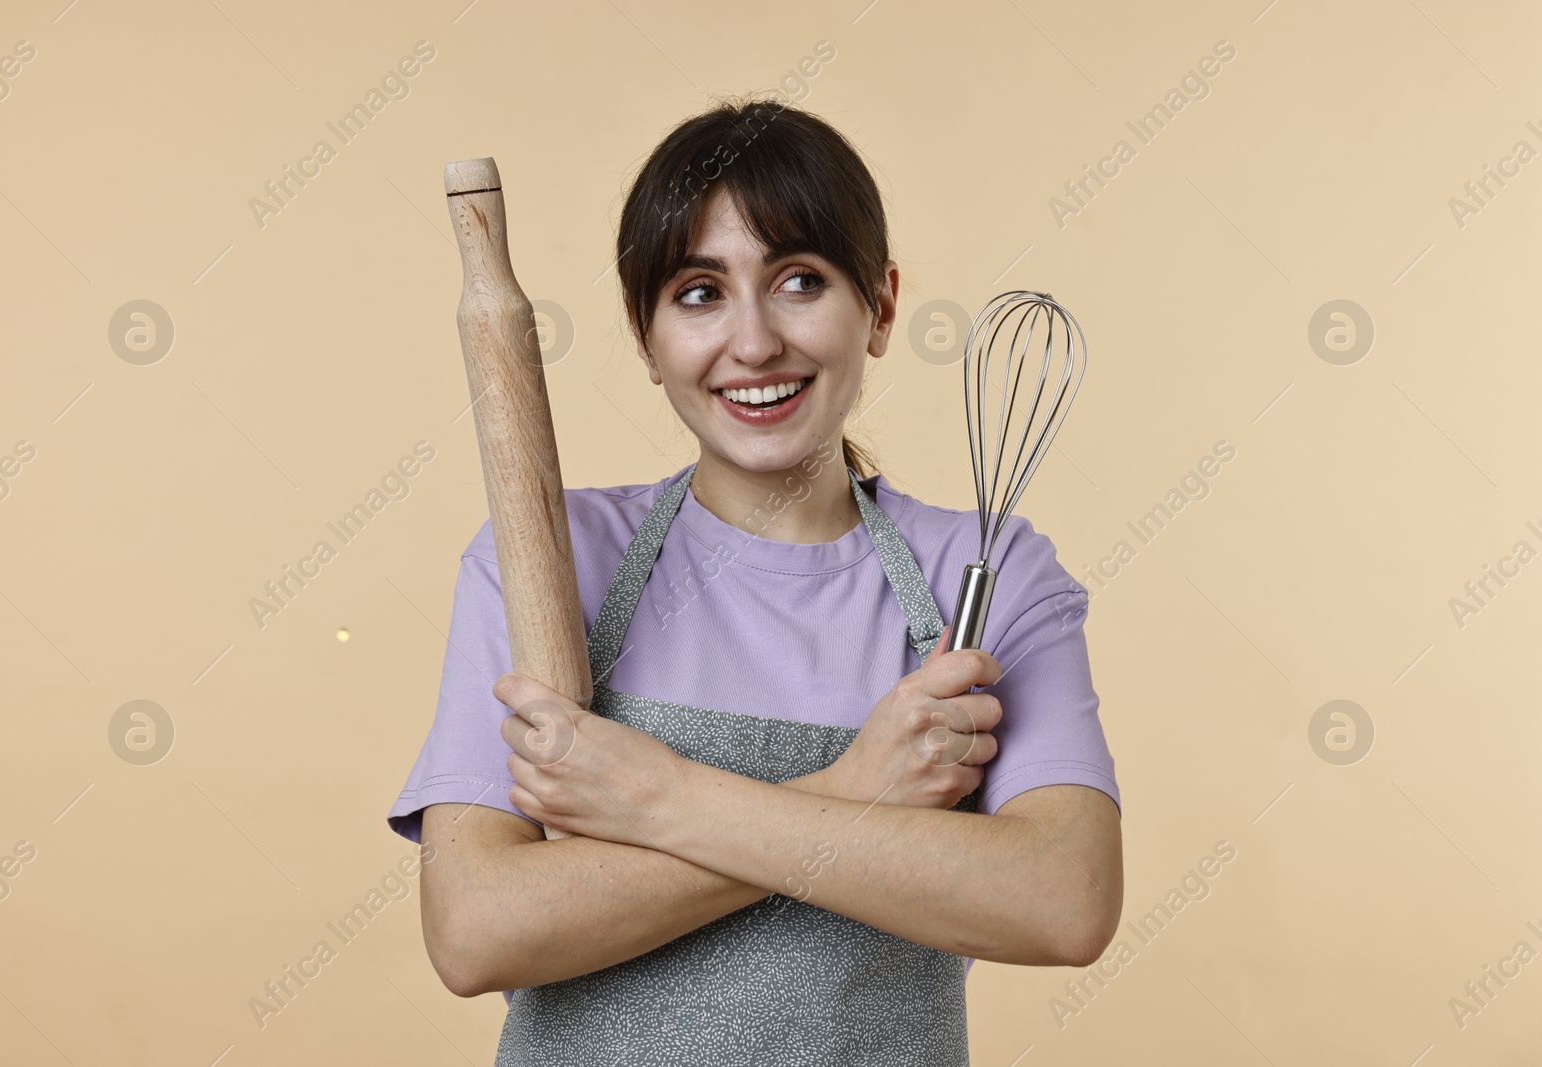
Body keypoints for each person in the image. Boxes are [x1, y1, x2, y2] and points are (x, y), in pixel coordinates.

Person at [387, 97, 1122, 1065]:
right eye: (699, 292)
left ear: (882, 305)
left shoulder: (983, 573)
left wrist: (656, 796)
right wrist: (855, 790)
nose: (754, 341)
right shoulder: (547, 561)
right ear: (645, 337)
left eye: (799, 280)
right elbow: (476, 929)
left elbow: (1062, 900)